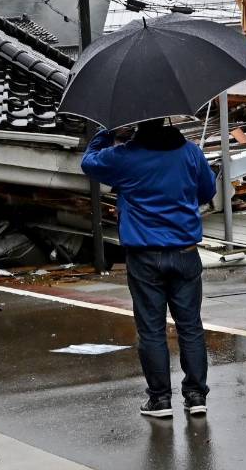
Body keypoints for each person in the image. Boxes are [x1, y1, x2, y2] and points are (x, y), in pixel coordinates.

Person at [81, 118, 216, 419]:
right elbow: (207, 192)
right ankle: (195, 396)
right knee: (190, 326)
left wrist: (108, 133)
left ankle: (160, 400)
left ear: (136, 125)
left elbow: (89, 163)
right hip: (185, 253)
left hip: (144, 257)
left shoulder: (125, 157)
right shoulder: (190, 152)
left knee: (152, 330)